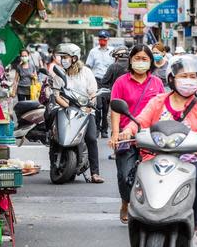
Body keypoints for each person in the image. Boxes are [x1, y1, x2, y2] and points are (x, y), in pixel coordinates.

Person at [119, 55, 197, 247]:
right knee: (139, 179)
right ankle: (142, 218)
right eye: (184, 76)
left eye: (193, 76)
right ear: (172, 79)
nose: (189, 80)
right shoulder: (158, 102)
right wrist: (128, 130)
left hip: (192, 161)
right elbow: (140, 121)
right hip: (156, 158)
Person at [109, 44, 165, 223]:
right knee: (125, 176)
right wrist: (116, 134)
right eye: (137, 58)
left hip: (151, 137)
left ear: (151, 62)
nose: (140, 62)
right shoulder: (121, 82)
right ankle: (125, 202)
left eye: (144, 59)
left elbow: (163, 109)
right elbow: (115, 109)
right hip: (127, 137)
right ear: (130, 60)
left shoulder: (156, 83)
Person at [51, 42, 104, 183]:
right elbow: (56, 95)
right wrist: (66, 106)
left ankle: (95, 173)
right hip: (66, 109)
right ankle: (54, 163)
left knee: (91, 138)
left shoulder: (86, 72)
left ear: (74, 58)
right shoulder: (59, 73)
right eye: (61, 57)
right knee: (55, 136)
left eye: (65, 57)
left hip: (85, 111)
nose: (63, 60)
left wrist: (89, 106)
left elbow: (93, 92)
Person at [85, 30, 115, 137]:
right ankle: (97, 128)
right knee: (97, 106)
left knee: (106, 107)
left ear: (108, 40)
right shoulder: (93, 52)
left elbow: (115, 66)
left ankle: (104, 130)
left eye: (104, 39)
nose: (102, 41)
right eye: (101, 39)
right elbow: (88, 66)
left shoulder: (112, 51)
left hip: (108, 82)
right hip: (96, 81)